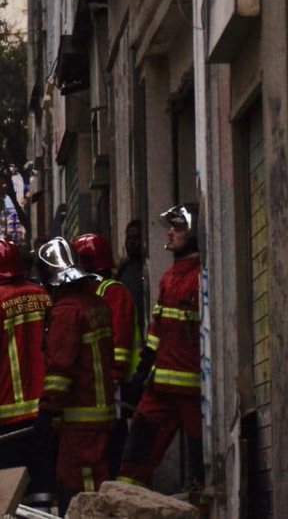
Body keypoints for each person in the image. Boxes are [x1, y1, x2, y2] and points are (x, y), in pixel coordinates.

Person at [118, 205, 205, 492]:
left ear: (193, 235)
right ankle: (127, 506)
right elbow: (156, 333)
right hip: (162, 389)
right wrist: (142, 372)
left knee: (201, 468)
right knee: (136, 455)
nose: (169, 233)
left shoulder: (200, 277)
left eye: (178, 229)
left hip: (194, 392)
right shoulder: (169, 278)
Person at [0, 240, 55, 510]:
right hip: (45, 404)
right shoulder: (42, 295)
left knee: (12, 473)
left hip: (9, 407)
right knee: (42, 472)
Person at [36, 237, 116, 512]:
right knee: (97, 476)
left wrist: (48, 409)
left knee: (81, 484)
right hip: (102, 412)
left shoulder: (67, 311)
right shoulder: (97, 305)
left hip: (79, 417)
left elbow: (61, 368)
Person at [73, 233, 139, 475]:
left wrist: (114, 376)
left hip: (114, 387)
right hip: (96, 386)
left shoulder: (113, 292)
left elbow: (120, 343)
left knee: (112, 446)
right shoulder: (93, 292)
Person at [114, 220, 147, 335]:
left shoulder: (147, 270)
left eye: (136, 238)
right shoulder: (122, 270)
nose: (132, 242)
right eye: (129, 238)